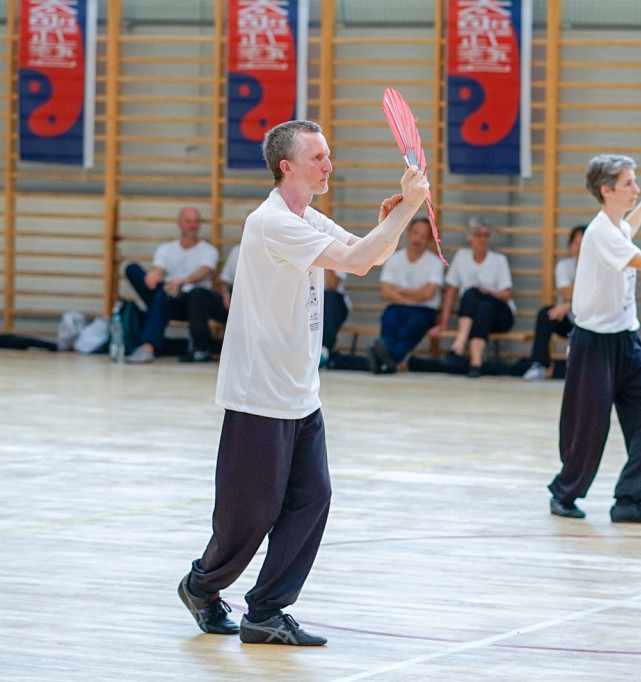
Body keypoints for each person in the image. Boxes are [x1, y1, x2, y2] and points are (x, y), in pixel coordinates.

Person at [177, 119, 429, 646]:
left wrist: (392, 221)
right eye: (317, 158)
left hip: (300, 395)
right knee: (249, 517)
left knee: (313, 500)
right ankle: (202, 586)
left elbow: (368, 252)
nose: (329, 165)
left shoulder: (307, 217)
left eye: (329, 155)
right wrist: (405, 209)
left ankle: (266, 612)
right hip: (258, 396)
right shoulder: (270, 223)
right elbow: (361, 260)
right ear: (286, 167)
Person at [547, 154, 641, 524]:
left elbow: (631, 228)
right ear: (607, 191)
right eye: (629, 184)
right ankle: (564, 493)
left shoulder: (616, 227)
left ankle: (630, 499)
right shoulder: (600, 233)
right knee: (589, 428)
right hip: (594, 345)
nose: (636, 189)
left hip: (627, 340)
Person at [123, 206, 225, 363]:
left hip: (190, 303)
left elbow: (204, 271)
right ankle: (149, 345)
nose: (193, 225)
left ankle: (148, 347)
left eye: (196, 221)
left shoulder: (208, 250)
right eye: (188, 221)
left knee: (165, 296)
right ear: (179, 223)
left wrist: (182, 282)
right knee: (133, 270)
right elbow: (158, 268)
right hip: (166, 296)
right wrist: (154, 275)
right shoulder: (166, 249)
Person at [429, 218, 515, 378]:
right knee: (475, 299)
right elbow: (451, 292)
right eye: (478, 235)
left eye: (486, 235)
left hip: (501, 315)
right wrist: (443, 323)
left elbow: (506, 294)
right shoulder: (462, 257)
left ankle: (458, 348)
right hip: (479, 314)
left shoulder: (498, 260)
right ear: (469, 237)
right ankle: (476, 363)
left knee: (478, 298)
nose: (482, 239)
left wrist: (488, 292)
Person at [368, 217, 445, 374]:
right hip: (398, 307)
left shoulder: (435, 263)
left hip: (424, 311)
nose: (418, 239)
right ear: (408, 234)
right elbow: (385, 292)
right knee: (389, 321)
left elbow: (428, 294)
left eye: (423, 236)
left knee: (410, 329)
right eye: (416, 233)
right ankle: (388, 362)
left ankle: (384, 359)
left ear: (429, 240)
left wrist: (400, 290)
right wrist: (415, 295)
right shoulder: (394, 259)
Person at [523, 225, 586, 381]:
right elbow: (565, 293)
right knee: (546, 314)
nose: (579, 248)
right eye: (576, 244)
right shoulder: (564, 266)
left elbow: (595, 297)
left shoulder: (600, 268)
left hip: (589, 320)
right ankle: (539, 364)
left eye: (583, 244)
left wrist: (568, 303)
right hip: (568, 319)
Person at [322, 269, 350, 365]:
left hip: (334, 303)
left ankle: (324, 349)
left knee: (329, 296)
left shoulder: (336, 253)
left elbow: (332, 285)